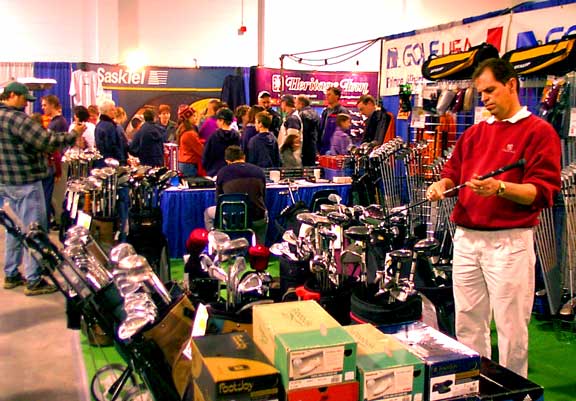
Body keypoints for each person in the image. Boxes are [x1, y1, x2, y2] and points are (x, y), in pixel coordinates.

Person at [426, 58, 561, 378]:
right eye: (481, 92)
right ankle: (473, 383)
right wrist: (442, 185)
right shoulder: (474, 133)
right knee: (468, 321)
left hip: (509, 243)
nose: (484, 98)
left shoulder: (539, 132)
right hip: (466, 239)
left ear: (511, 85)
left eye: (490, 90)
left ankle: (513, 391)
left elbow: (541, 192)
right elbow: (451, 173)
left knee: (511, 326)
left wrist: (500, 188)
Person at [0, 82, 85, 295]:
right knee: (35, 230)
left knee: (14, 230)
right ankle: (34, 279)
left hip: (6, 183)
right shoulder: (18, 119)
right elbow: (47, 141)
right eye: (23, 99)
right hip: (27, 183)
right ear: (12, 95)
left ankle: (11, 274)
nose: (26, 105)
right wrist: (74, 134)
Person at [204, 146, 268, 244]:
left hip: (231, 218)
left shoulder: (222, 173)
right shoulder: (259, 172)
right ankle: (259, 248)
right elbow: (263, 196)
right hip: (256, 217)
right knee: (264, 214)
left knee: (208, 213)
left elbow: (219, 201)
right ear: (244, 157)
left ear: (227, 161)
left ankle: (219, 244)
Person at [41, 95, 67, 229]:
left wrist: (57, 170)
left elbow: (54, 147)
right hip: (53, 163)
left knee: (48, 196)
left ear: (52, 105)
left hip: (55, 163)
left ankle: (46, 223)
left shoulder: (57, 123)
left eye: (45, 105)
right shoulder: (56, 122)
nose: (43, 108)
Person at [201, 108, 240, 176]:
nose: (216, 122)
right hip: (233, 171)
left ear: (222, 121)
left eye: (218, 120)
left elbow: (206, 156)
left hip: (215, 171)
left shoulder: (214, 136)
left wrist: (208, 168)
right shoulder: (236, 136)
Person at [319, 86, 349, 154]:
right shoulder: (325, 112)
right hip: (323, 147)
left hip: (335, 148)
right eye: (326, 95)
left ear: (337, 96)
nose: (327, 97)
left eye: (329, 94)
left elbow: (346, 130)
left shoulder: (342, 111)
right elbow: (321, 129)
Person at [176, 105, 204, 177]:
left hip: (184, 163)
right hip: (189, 165)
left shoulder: (182, 129)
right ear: (188, 118)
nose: (196, 118)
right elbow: (200, 150)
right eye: (193, 116)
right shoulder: (190, 134)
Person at [277, 94, 302, 167]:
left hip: (291, 156)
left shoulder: (292, 118)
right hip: (289, 155)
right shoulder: (290, 117)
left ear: (284, 103)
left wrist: (282, 148)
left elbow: (292, 135)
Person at [295, 94, 321, 166]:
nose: (295, 106)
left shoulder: (301, 114)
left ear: (301, 104)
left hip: (304, 148)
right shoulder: (316, 114)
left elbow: (303, 133)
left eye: (296, 103)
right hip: (314, 148)